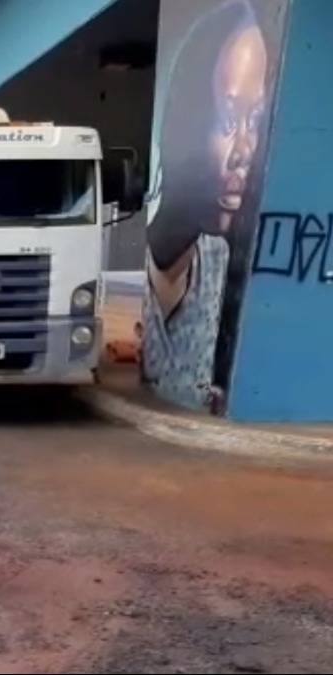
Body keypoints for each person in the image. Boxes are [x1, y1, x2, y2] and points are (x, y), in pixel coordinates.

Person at [143, 0, 271, 412]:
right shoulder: (194, 258)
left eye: (255, 122)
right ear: (191, 121)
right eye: (228, 120)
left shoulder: (213, 254)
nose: (243, 152)